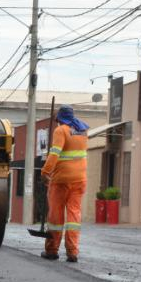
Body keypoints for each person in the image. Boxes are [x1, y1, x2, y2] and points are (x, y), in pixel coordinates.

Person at [41, 105, 89, 262]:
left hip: (61, 180)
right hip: (79, 179)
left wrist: (45, 172)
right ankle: (72, 251)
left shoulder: (61, 130)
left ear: (59, 119)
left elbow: (54, 154)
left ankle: (52, 250)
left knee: (56, 215)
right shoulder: (82, 131)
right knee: (74, 215)